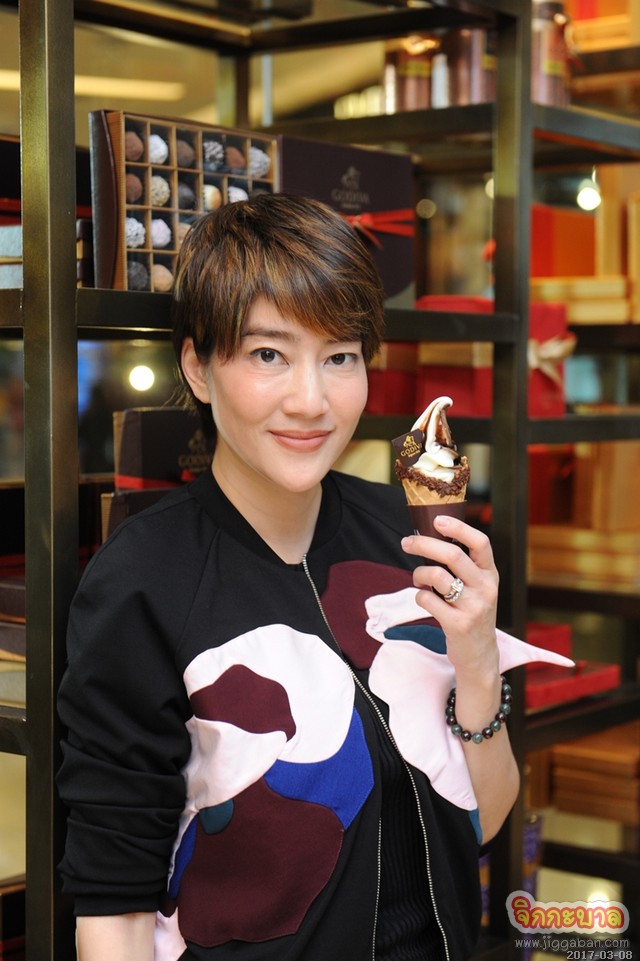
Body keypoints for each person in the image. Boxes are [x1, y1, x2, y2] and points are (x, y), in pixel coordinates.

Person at [57, 193, 521, 961]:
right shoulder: (142, 579)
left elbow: (486, 819)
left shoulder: (406, 533)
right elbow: (116, 911)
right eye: (268, 354)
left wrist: (476, 660)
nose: (311, 401)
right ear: (198, 366)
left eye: (339, 356)